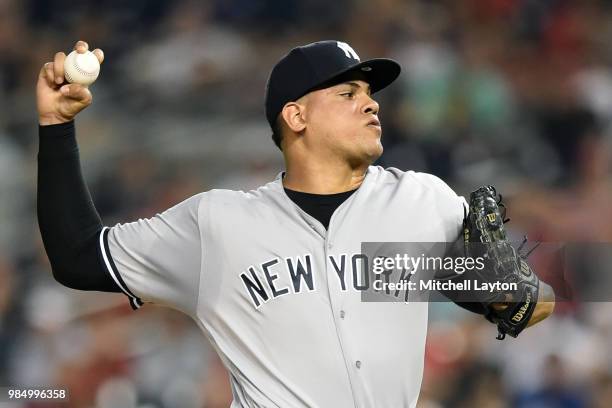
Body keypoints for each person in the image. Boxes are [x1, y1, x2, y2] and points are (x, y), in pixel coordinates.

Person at [37, 40, 554, 407]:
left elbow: (536, 303)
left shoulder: (421, 200)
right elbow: (78, 254)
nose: (371, 103)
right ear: (296, 117)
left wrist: (516, 292)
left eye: (369, 94)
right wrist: (57, 129)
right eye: (347, 94)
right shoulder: (219, 224)